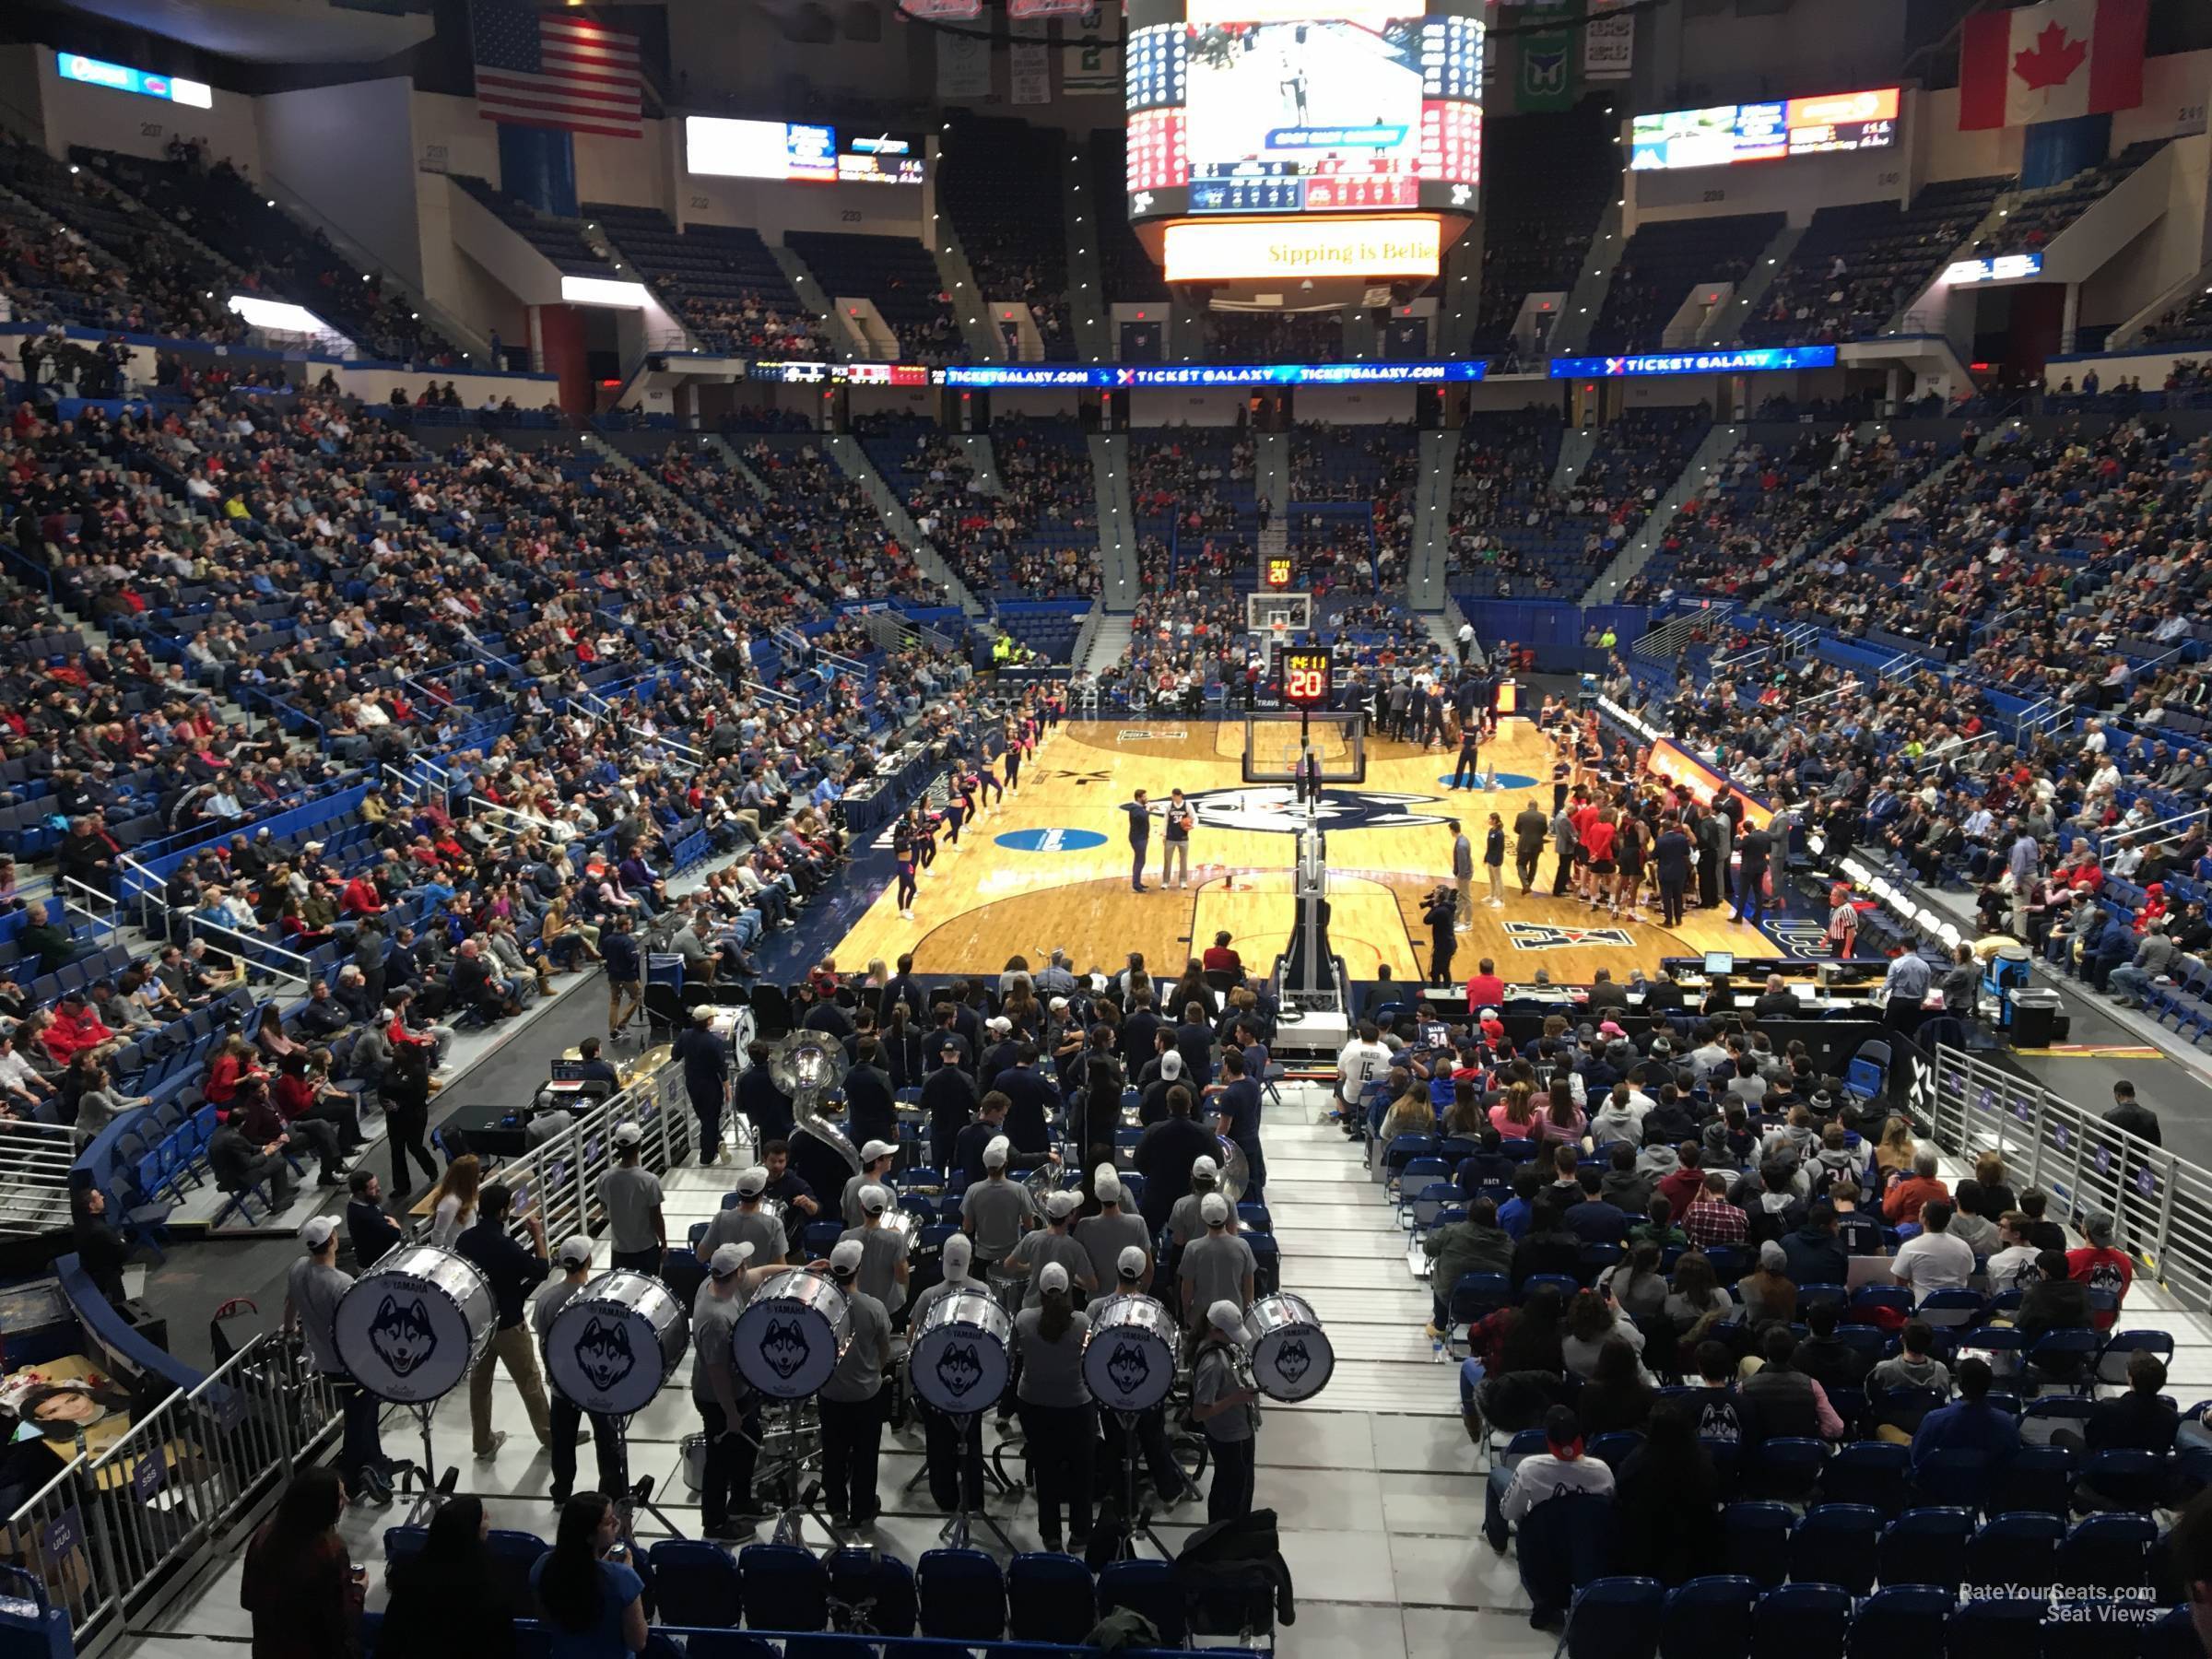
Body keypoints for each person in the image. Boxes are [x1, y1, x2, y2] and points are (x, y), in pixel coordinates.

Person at [284, 1215, 391, 1504]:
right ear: (332, 1241)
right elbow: (357, 1326)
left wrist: (290, 1329)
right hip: (350, 1365)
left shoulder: (296, 1269)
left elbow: (290, 1301)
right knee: (360, 1417)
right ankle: (350, 1477)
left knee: (363, 1412)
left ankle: (375, 1459)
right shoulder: (341, 1283)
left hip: (325, 1361)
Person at [1484, 1405, 1615, 1630]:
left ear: (1547, 1439)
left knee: (1497, 1476)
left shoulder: (1529, 1468)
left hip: (1543, 1549)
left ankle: (1497, 1539)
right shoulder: (1602, 1471)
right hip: (1585, 1548)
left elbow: (1509, 1512)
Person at [692, 1241, 790, 1538]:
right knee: (719, 1460)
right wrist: (730, 1413)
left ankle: (741, 1500)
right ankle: (716, 1522)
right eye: (744, 1265)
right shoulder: (717, 1319)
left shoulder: (714, 1282)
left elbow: (762, 1274)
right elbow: (717, 1372)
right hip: (718, 1396)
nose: (749, 1267)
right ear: (736, 1271)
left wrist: (803, 1269)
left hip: (736, 1388)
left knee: (750, 1440)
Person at [453, 1182, 556, 1463]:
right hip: (509, 1324)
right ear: (502, 1212)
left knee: (480, 1384)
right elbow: (540, 1269)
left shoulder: (465, 1241)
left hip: (479, 1326)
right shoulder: (505, 1245)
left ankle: (482, 1442)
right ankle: (549, 1436)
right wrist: (538, 1235)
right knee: (529, 1381)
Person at [534, 1236, 628, 1506]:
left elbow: (542, 1340)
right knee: (607, 1440)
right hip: (597, 1384)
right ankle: (610, 1490)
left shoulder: (547, 1299)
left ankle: (562, 1490)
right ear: (589, 1260)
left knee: (562, 1442)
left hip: (562, 1383)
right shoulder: (600, 1296)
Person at [1014, 1261, 1095, 1551]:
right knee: (1081, 1471)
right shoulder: (1083, 1323)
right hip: (1075, 1405)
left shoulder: (1023, 1319)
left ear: (1040, 1291)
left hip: (1034, 1404)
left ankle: (1050, 1535)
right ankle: (1081, 1534)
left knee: (1045, 1470)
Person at [906, 1233, 990, 1513]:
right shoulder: (983, 1291)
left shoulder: (928, 1295)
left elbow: (911, 1337)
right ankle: (974, 1499)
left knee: (939, 1441)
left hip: (933, 1382)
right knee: (972, 1438)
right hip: (970, 1385)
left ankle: (945, 1498)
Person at [240, 1466, 359, 1659]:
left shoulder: (263, 1537)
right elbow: (343, 1619)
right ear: (322, 1505)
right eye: (339, 1496)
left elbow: (248, 1599)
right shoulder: (330, 1551)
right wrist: (359, 1590)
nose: (346, 1500)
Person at [377, 1496, 517, 1659]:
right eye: (484, 1520)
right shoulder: (491, 1589)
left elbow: (388, 1642)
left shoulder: (409, 1582)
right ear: (475, 1533)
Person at [818, 1236, 893, 1528]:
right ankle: (861, 1510)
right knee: (865, 1456)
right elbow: (884, 1348)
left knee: (833, 1453)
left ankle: (836, 1506)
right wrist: (872, 1370)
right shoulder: (873, 1308)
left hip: (831, 1393)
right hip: (865, 1395)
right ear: (858, 1270)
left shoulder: (822, 1305)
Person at [1612, 1399, 1720, 1586]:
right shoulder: (1703, 1462)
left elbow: (1621, 1495)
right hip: (1696, 1555)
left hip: (1645, 1553)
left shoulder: (1635, 1463)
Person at [532, 1493, 648, 1658]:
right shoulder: (623, 1578)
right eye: (609, 1521)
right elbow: (638, 1642)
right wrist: (625, 1573)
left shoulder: (542, 1566)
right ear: (589, 1535)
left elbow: (545, 1620)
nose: (617, 1522)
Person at [1192, 1297, 1260, 1523]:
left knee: (1226, 1486)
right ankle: (1228, 1538)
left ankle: (1222, 1534)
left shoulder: (1215, 1347)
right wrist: (1235, 1398)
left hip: (1232, 1431)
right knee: (1234, 1495)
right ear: (1215, 1329)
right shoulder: (1212, 1362)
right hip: (1231, 1437)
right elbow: (1199, 1412)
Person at [1910, 1357, 2018, 1477]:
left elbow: (1916, 1460)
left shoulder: (1934, 1420)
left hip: (1937, 1489)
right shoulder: (2007, 1424)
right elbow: (2011, 1462)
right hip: (1987, 1489)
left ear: (1960, 1384)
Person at [1179, 1193, 1256, 1330]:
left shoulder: (1192, 1248)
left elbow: (1187, 1291)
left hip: (1201, 1320)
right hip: (1234, 1318)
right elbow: (1249, 1289)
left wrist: (1186, 1314)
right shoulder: (1243, 1246)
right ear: (1226, 1216)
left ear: (1203, 1217)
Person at [597, 1123, 665, 1275]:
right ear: (639, 1146)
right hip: (646, 1249)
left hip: (619, 1250)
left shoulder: (605, 1178)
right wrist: (664, 1243)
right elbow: (656, 1217)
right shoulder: (649, 1180)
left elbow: (604, 1205)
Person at [673, 1006, 731, 1163]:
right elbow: (722, 1068)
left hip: (692, 1083)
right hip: (711, 1085)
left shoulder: (684, 1035)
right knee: (710, 1120)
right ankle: (707, 1156)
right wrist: (727, 1089)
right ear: (709, 1021)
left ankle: (717, 1140)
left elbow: (675, 1056)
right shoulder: (715, 1042)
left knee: (704, 1117)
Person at [382, 1040, 439, 1199]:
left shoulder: (418, 1071)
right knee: (396, 1150)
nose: (394, 1052)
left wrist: (399, 1105)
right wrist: (386, 1103)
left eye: (398, 1050)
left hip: (414, 1115)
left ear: (407, 1053)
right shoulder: (389, 1069)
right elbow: (381, 1090)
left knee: (414, 1146)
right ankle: (401, 1186)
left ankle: (430, 1167)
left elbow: (420, 1095)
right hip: (393, 1117)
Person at [1891, 1199, 1976, 1296]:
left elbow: (1899, 1286)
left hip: (1923, 1309)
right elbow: (1967, 1278)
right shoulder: (1964, 1247)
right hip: (1960, 1309)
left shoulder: (1909, 1248)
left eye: (1920, 1211)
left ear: (1924, 1219)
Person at [428, 1153, 482, 1249]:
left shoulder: (470, 1194)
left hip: (468, 1245)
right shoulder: (450, 1202)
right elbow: (438, 1234)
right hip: (455, 1250)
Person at [1123, 789, 1153, 893]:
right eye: (1144, 797)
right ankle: (1136, 884)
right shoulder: (1135, 809)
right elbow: (1143, 816)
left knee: (1139, 860)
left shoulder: (1138, 807)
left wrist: (1148, 808)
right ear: (1139, 798)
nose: (1146, 798)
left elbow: (1144, 813)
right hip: (1138, 839)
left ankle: (1137, 882)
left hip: (1141, 837)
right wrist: (1148, 809)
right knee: (1140, 861)